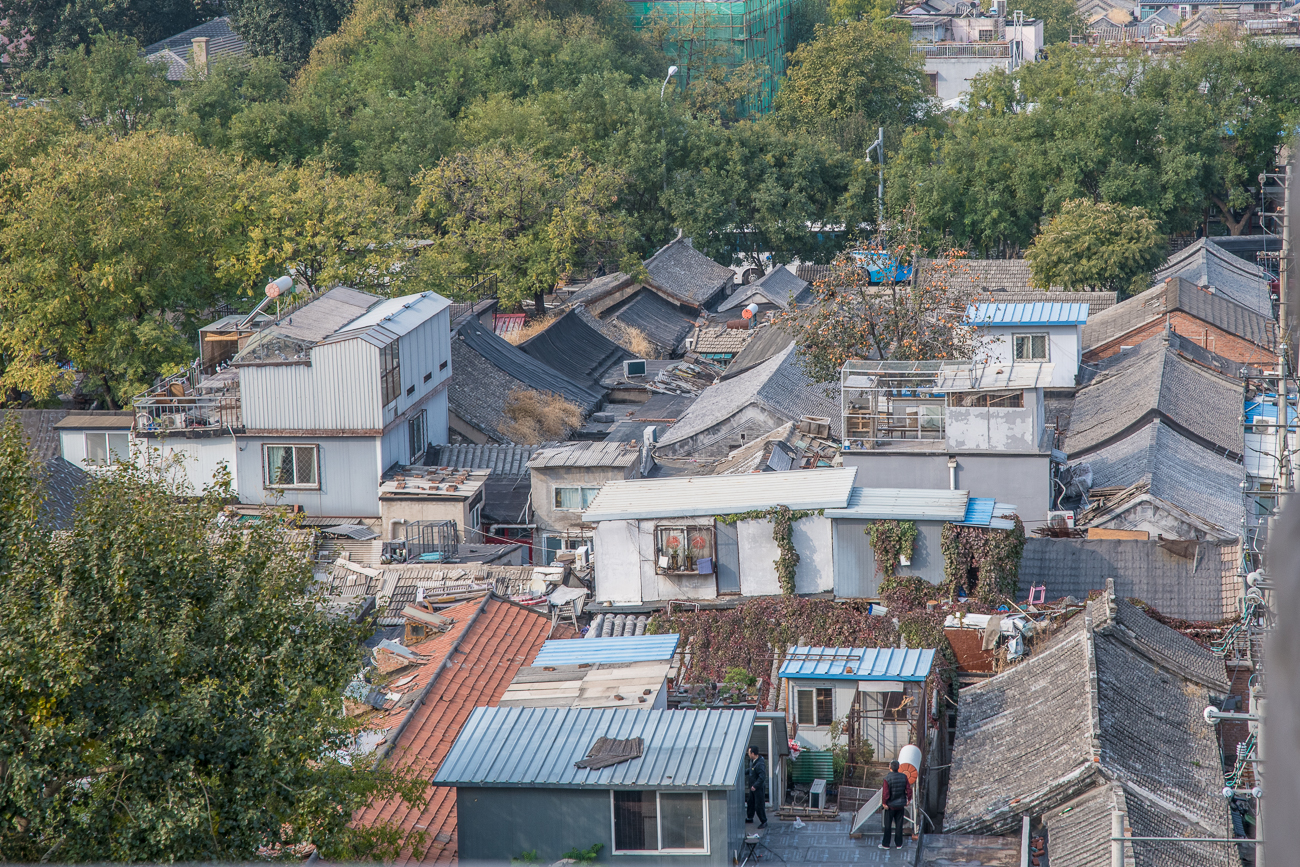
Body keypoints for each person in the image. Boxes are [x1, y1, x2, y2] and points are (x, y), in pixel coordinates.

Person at [879, 760, 911, 850]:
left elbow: (885, 793)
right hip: (900, 805)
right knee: (899, 825)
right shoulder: (904, 777)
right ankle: (899, 844)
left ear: (890, 768)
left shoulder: (887, 778)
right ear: (899, 767)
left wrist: (884, 803)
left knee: (888, 825)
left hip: (890, 806)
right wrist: (909, 799)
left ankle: (886, 844)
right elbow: (909, 789)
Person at [745, 746, 768, 828]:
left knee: (759, 805)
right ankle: (750, 817)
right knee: (750, 802)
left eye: (749, 753)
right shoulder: (753, 761)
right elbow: (751, 769)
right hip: (752, 787)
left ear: (753, 753)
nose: (748, 754)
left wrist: (755, 786)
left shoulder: (760, 764)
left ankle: (764, 821)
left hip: (758, 788)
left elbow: (762, 777)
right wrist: (744, 772)